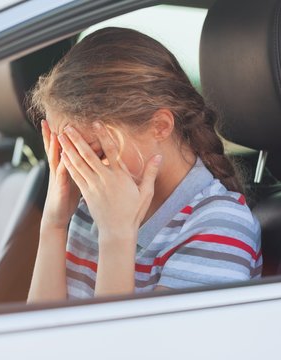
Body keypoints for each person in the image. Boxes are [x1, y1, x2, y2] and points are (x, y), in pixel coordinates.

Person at [27, 27, 262, 302]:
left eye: (93, 152)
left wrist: (117, 236)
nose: (79, 169)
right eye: (69, 151)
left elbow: (130, 345)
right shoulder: (93, 207)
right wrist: (54, 224)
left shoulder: (220, 225)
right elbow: (42, 337)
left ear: (160, 126)